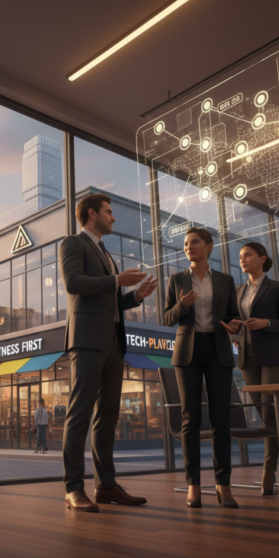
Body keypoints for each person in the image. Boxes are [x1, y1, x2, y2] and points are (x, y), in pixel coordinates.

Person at [60, 193, 157, 512]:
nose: (113, 217)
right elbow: (74, 283)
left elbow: (109, 299)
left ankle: (106, 486)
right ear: (92, 213)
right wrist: (116, 279)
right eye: (109, 212)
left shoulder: (105, 252)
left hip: (114, 341)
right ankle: (74, 488)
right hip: (86, 339)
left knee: (108, 416)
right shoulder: (73, 243)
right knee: (80, 415)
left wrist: (135, 296)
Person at [163, 227, 239, 509]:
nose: (188, 246)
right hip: (188, 352)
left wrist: (235, 324)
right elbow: (167, 318)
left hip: (218, 348)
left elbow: (234, 315)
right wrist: (182, 306)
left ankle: (224, 485)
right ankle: (193, 485)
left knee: (221, 419)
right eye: (185, 243)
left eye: (194, 242)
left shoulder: (225, 280)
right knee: (190, 419)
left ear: (209, 247)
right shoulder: (177, 279)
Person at [220, 242, 279, 496]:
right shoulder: (237, 290)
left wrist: (266, 322)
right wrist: (233, 331)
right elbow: (233, 323)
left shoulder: (277, 288)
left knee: (270, 415)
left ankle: (269, 471)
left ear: (262, 258)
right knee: (265, 416)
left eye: (248, 255)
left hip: (273, 357)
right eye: (241, 256)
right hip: (247, 359)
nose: (242, 259)